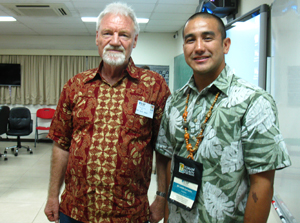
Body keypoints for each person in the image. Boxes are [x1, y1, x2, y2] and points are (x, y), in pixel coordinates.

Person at [155, 12, 291, 223]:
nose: (199, 47)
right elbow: (166, 158)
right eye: (190, 40)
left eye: (207, 38)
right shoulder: (175, 102)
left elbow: (262, 184)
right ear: (184, 48)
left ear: (226, 45)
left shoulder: (253, 102)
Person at [44, 2, 170, 223]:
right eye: (107, 33)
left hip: (130, 214)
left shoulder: (154, 86)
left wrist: (162, 197)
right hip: (75, 211)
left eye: (124, 35)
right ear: (97, 38)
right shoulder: (76, 85)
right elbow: (61, 144)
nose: (114, 41)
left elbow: (164, 148)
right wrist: (52, 195)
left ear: (135, 41)